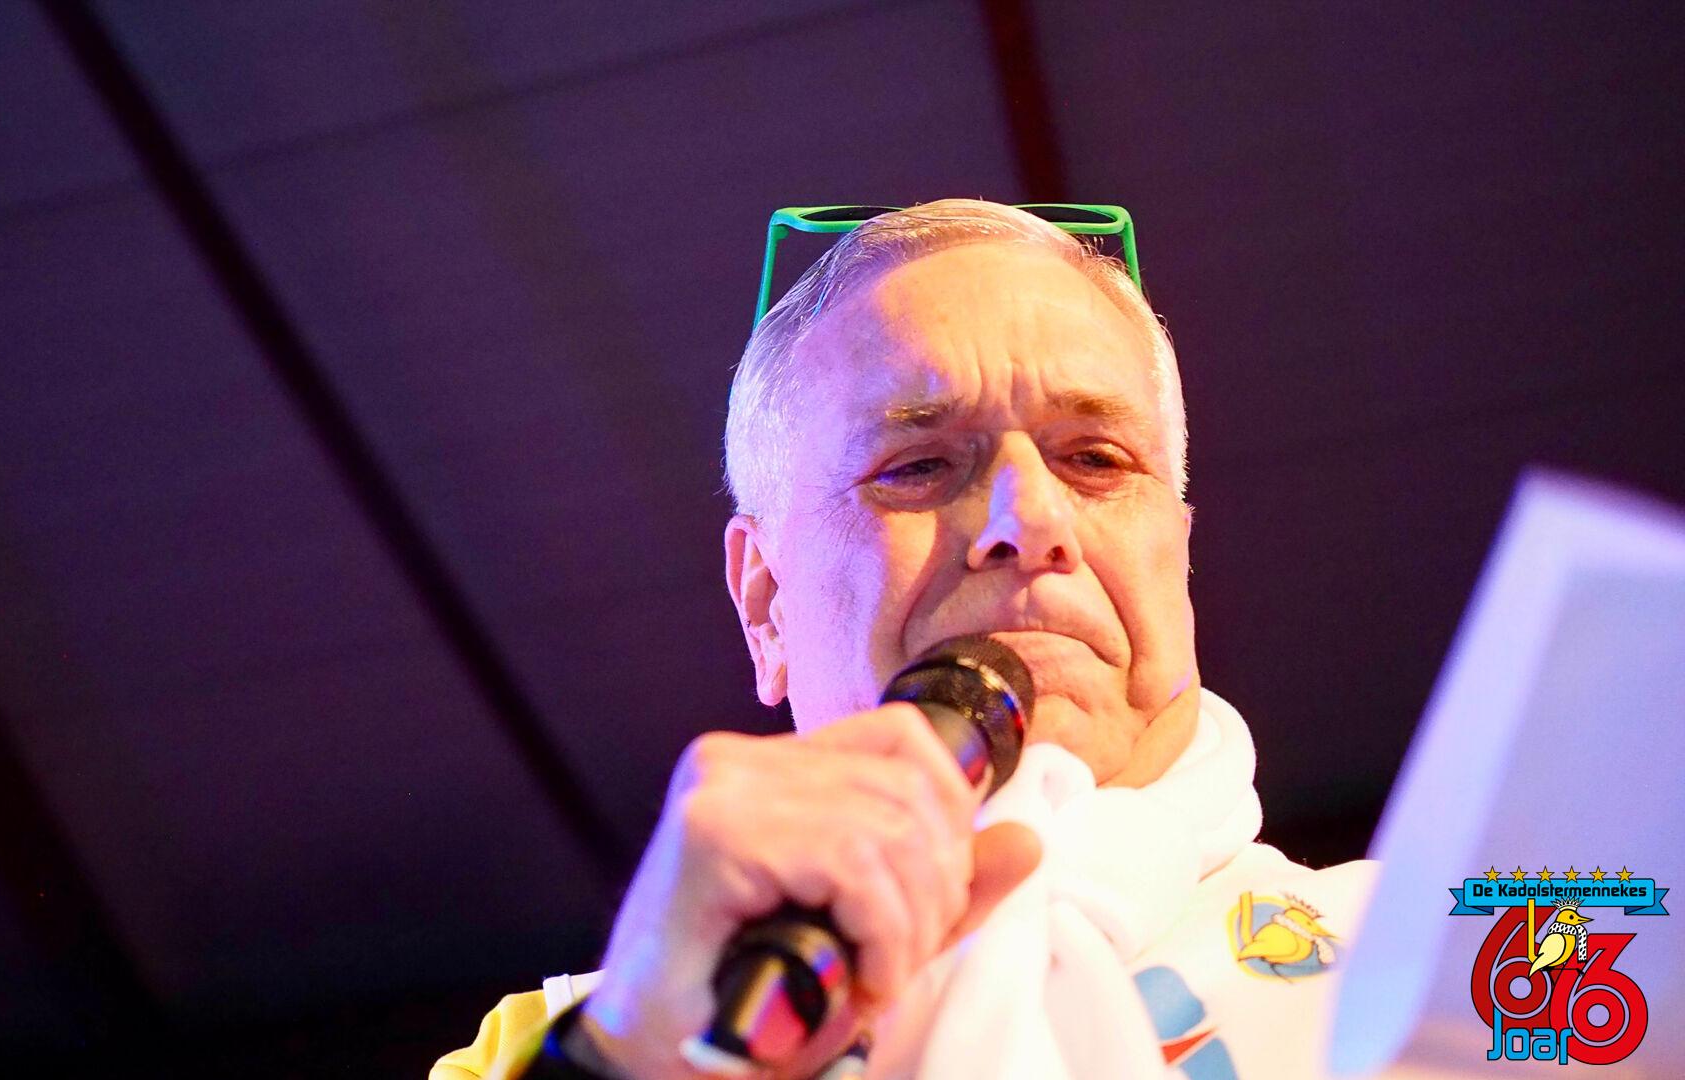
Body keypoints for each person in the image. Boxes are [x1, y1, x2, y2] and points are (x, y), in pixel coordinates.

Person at [433, 200, 1375, 1079]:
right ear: (766, 604)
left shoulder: (1442, 939)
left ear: (1181, 555)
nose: (1033, 520)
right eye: (918, 466)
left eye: (1096, 459)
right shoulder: (574, 1042)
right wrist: (636, 1059)